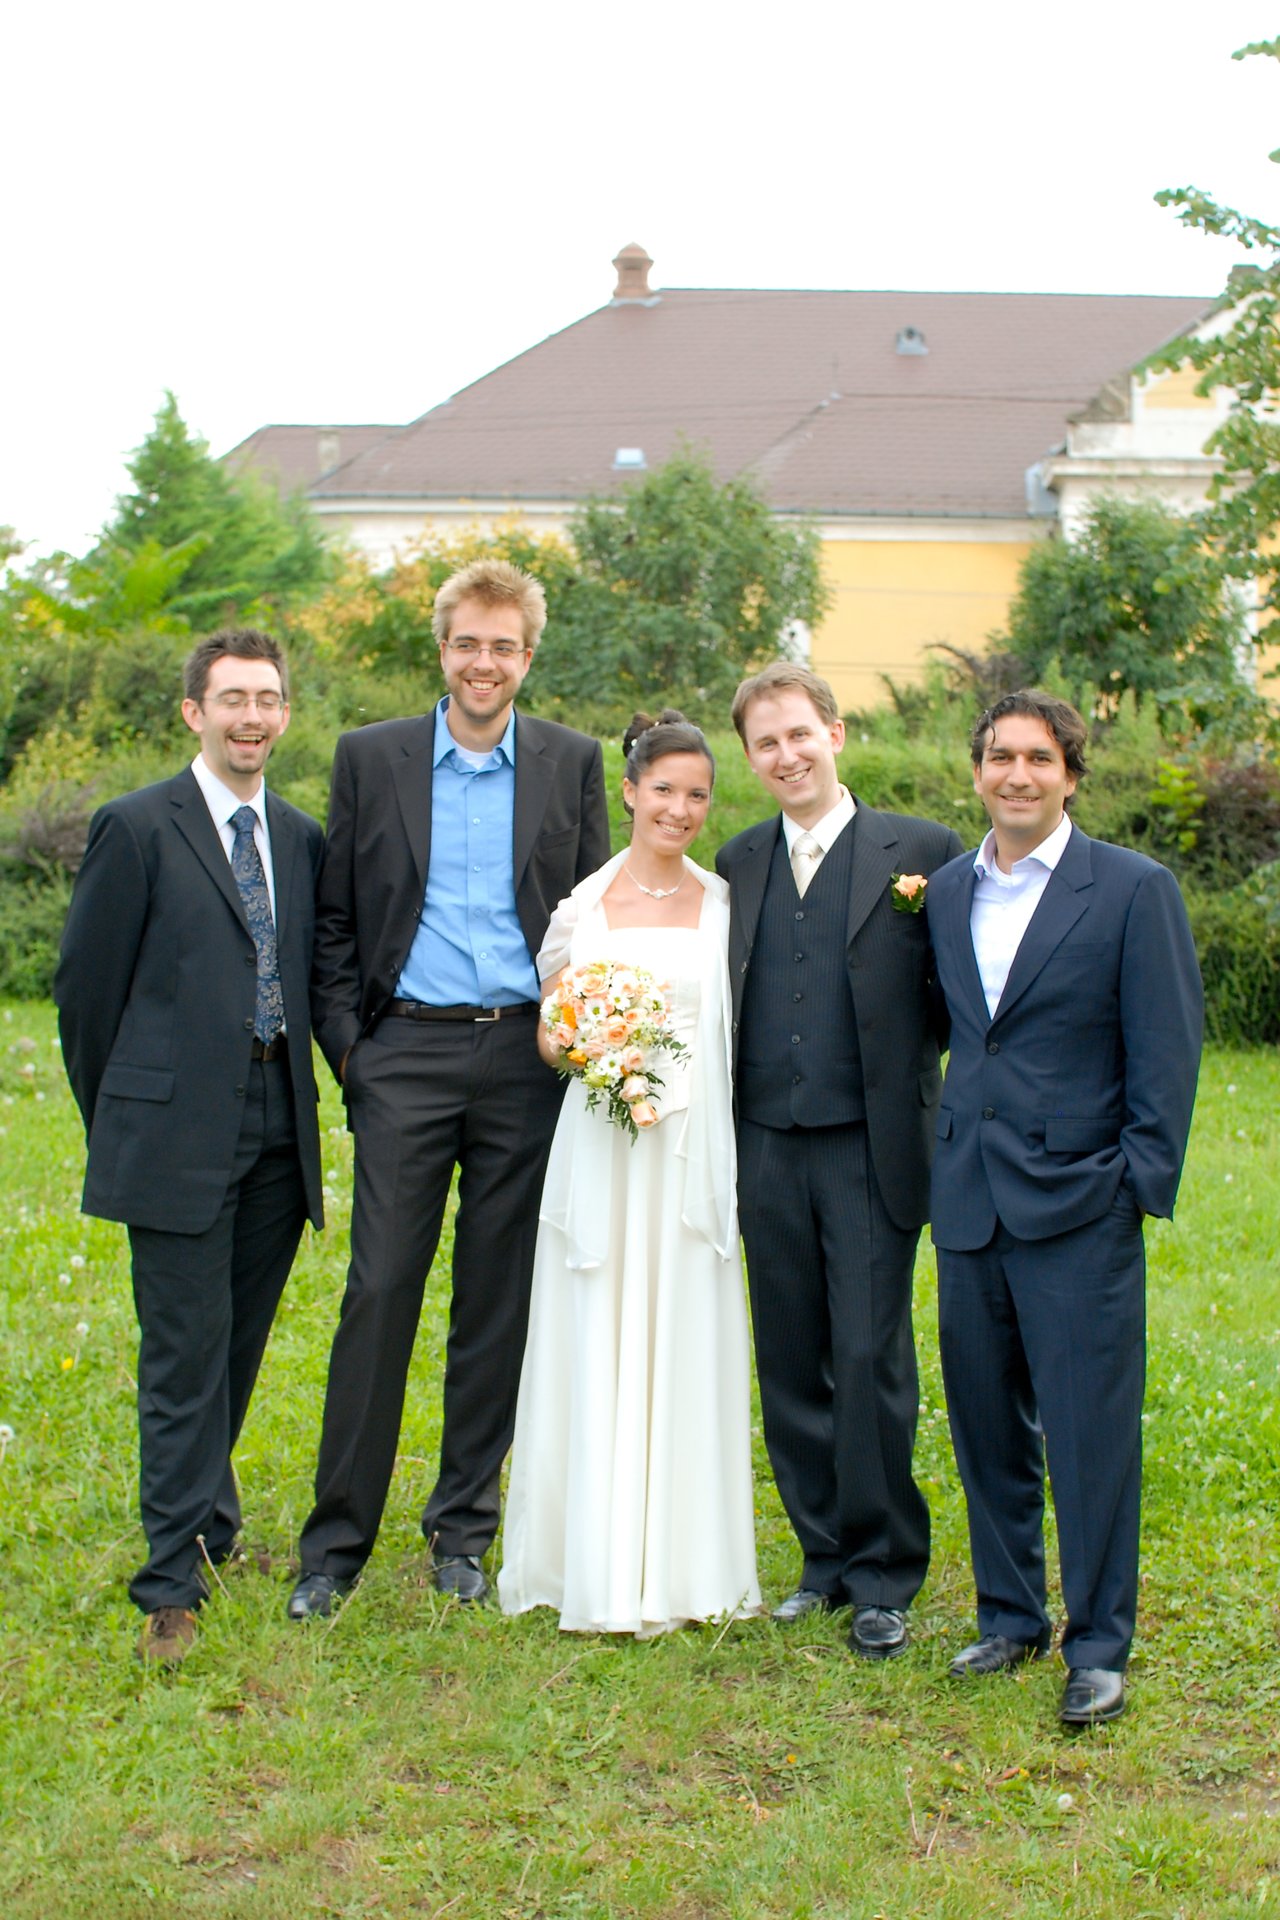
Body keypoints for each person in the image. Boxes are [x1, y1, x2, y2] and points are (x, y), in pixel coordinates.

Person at [287, 559, 609, 1620]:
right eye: (467, 642)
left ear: (529, 655)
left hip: (526, 1060)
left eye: (503, 645)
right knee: (379, 1290)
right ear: (442, 648)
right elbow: (333, 923)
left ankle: (461, 1532)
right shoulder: (371, 757)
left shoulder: (569, 763)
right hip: (406, 1058)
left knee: (495, 1303)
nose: (484, 662)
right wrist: (355, 1053)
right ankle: (335, 1547)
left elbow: (595, 919)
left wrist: (575, 1042)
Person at [926, 690, 1202, 1726]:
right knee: (984, 1421)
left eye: (1037, 759)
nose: (1016, 776)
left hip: (1080, 1202)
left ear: (1069, 774)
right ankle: (1006, 1614)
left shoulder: (1131, 890)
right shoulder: (947, 891)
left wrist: (1133, 1183)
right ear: (977, 770)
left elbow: (1166, 1051)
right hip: (966, 1199)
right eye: (998, 757)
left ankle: (1096, 1641)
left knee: (1088, 1432)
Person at [55, 629, 324, 1666]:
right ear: (192, 714)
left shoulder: (298, 837)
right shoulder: (136, 827)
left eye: (267, 700)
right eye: (231, 701)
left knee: (236, 1345)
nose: (250, 718)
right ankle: (170, 1584)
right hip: (170, 1133)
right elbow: (85, 993)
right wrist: (122, 1111)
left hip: (272, 1127)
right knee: (180, 1358)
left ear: (285, 713)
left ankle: (210, 1526)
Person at [716, 662, 963, 1659]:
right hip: (764, 1142)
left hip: (870, 1147)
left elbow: (952, 999)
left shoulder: (923, 852)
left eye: (798, 734)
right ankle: (819, 1559)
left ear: (835, 732)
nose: (785, 755)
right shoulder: (733, 863)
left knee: (867, 1358)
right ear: (749, 759)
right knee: (787, 1358)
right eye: (764, 743)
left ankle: (881, 1570)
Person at [499, 713, 760, 1634]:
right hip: (609, 1140)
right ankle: (595, 1560)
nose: (680, 810)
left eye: (697, 795)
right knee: (597, 1325)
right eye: (665, 791)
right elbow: (548, 1028)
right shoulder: (587, 906)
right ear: (630, 792)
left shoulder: (727, 903)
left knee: (686, 1329)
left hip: (691, 1151)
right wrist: (601, 1056)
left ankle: (688, 1565)